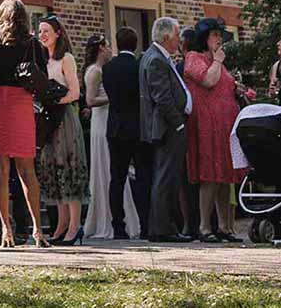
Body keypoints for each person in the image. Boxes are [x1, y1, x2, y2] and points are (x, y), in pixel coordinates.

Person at [0, 0, 44, 248]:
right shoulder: (32, 43)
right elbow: (43, 76)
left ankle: (6, 230)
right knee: (27, 169)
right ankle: (38, 231)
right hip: (21, 104)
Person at [184, 21, 243, 241]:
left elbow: (223, 83)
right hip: (206, 125)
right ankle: (204, 226)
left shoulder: (216, 60)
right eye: (215, 35)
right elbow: (208, 80)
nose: (219, 39)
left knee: (225, 176)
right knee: (210, 175)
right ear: (204, 38)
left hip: (225, 124)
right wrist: (217, 61)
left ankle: (225, 226)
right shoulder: (194, 58)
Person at [33, 15, 86, 243]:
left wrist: (54, 100)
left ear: (58, 33)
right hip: (47, 120)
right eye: (40, 31)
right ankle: (61, 225)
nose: (42, 35)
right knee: (53, 170)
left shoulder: (66, 59)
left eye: (47, 31)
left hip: (65, 117)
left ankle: (75, 226)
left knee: (69, 168)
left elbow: (75, 92)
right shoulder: (42, 60)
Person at [139, 16, 192, 241]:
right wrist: (178, 123)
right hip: (168, 128)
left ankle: (167, 226)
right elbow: (163, 97)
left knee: (168, 176)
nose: (179, 39)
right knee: (166, 178)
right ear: (166, 36)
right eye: (177, 34)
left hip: (169, 126)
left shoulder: (158, 57)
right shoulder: (156, 60)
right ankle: (163, 228)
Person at [102, 26, 143, 239]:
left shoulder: (108, 68)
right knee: (142, 177)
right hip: (136, 127)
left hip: (115, 126)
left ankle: (118, 226)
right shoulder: (138, 67)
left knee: (116, 179)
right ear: (135, 45)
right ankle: (145, 223)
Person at [82, 34, 114, 241]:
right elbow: (91, 99)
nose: (110, 50)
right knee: (104, 167)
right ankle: (102, 219)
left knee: (109, 167)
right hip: (100, 124)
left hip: (104, 120)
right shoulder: (94, 71)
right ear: (101, 48)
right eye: (108, 46)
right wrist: (113, 97)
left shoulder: (101, 70)